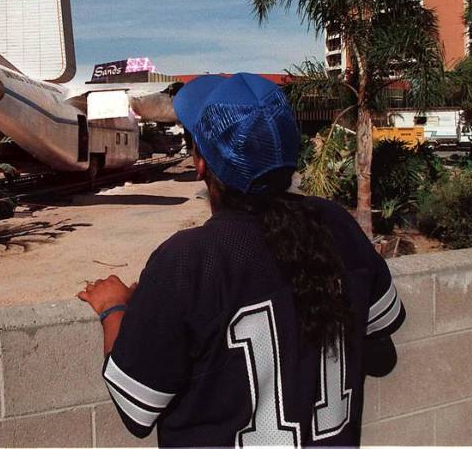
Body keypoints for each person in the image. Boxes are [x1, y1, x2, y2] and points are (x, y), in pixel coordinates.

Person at [78, 73, 404, 447]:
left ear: (201, 165)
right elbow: (382, 351)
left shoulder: (187, 261)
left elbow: (136, 410)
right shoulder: (337, 226)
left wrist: (113, 311)